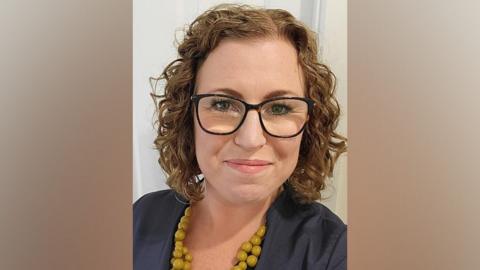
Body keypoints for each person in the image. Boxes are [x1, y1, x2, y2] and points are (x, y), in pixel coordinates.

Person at [134, 4, 347, 270]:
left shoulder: (334, 253)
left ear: (308, 123)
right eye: (223, 105)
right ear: (187, 115)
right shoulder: (140, 218)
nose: (250, 139)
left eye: (279, 108)